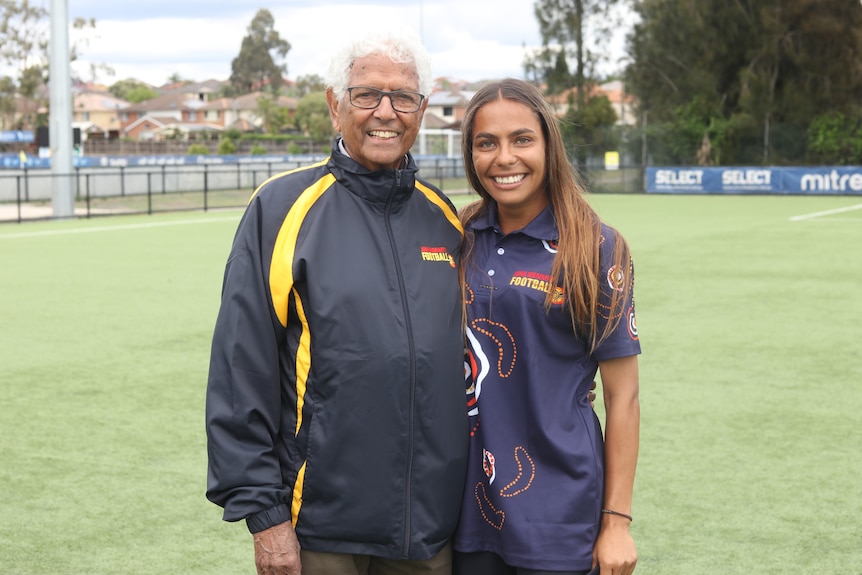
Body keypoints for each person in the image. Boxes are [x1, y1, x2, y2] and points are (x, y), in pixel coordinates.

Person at [205, 30, 468, 575]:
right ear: (335, 103)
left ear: (422, 109)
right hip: (319, 526)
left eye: (403, 97)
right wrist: (265, 517)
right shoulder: (283, 208)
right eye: (367, 94)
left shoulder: (443, 217)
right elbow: (240, 368)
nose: (386, 113)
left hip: (427, 530)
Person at [452, 79, 641, 575]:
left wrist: (616, 522)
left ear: (548, 146)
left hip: (560, 511)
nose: (504, 158)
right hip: (462, 509)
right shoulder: (456, 236)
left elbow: (623, 396)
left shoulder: (595, 246)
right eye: (486, 143)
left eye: (522, 139)